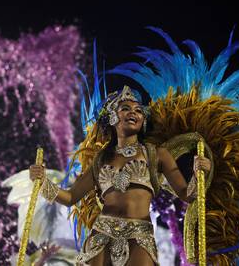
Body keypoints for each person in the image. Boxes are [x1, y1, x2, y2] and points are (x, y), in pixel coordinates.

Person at [29, 86, 211, 266]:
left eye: (138, 110)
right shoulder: (101, 159)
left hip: (140, 236)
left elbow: (188, 195)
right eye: (126, 108)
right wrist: (42, 182)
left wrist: (200, 174)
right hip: (102, 234)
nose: (134, 113)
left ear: (143, 120)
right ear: (113, 118)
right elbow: (70, 197)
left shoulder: (157, 154)